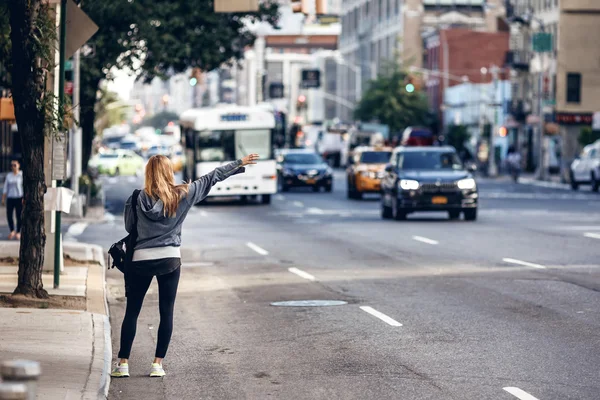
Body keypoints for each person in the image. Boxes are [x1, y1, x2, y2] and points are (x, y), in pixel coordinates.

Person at [111, 153, 259, 378]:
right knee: (166, 312)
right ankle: (157, 365)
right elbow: (212, 177)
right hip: (169, 258)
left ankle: (122, 364)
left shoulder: (135, 198)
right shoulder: (183, 194)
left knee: (132, 311)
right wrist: (239, 164)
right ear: (169, 172)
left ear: (148, 173)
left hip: (140, 259)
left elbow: (130, 227)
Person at [2, 159, 23, 240]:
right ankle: (12, 230)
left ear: (18, 165)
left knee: (19, 215)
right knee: (9, 215)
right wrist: (3, 199)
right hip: (10, 198)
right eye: (12, 165)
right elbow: (5, 188)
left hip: (19, 198)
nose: (13, 167)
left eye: (15, 165)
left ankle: (18, 232)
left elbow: (24, 187)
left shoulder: (21, 175)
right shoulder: (9, 176)